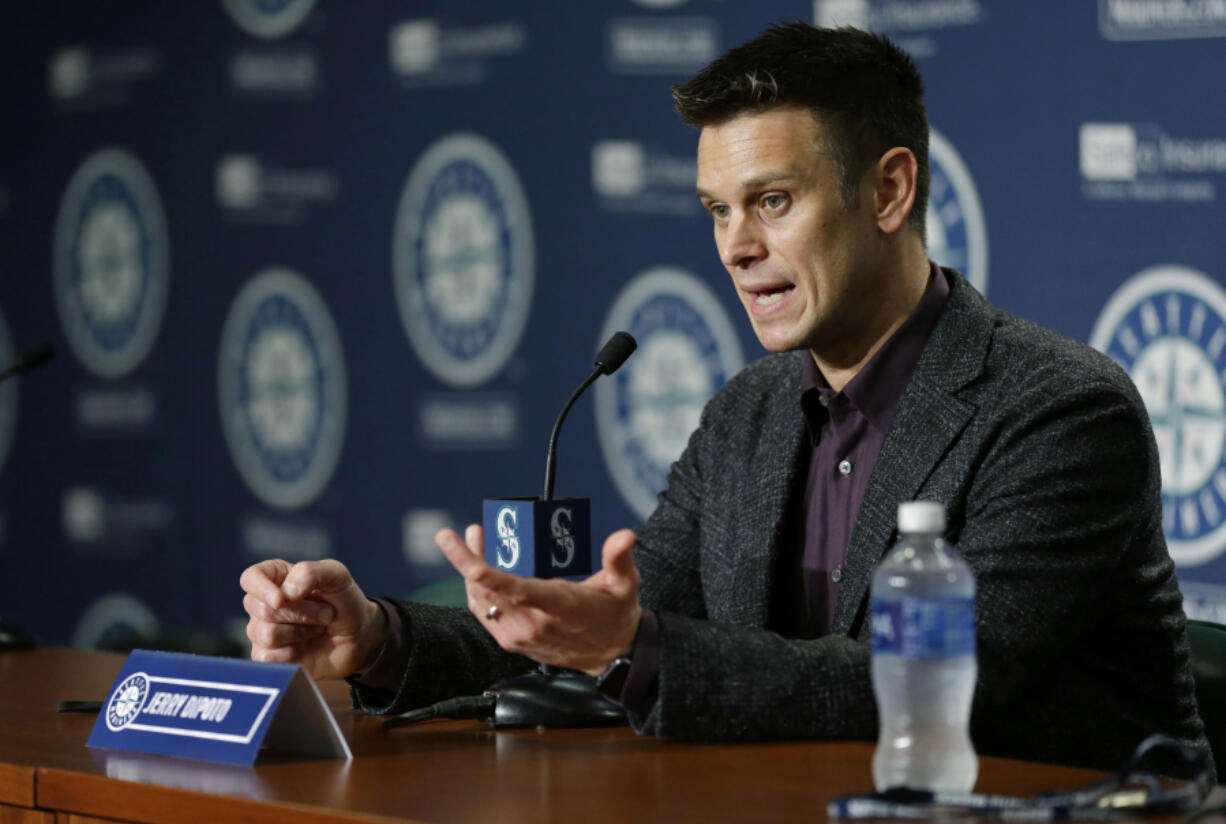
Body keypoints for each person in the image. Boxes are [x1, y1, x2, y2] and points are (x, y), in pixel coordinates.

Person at [240, 22, 1209, 773]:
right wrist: (379, 636)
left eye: (771, 201)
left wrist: (636, 647)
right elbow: (590, 642)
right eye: (716, 211)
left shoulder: (1056, 410)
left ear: (887, 192)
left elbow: (932, 688)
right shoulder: (746, 413)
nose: (735, 248)